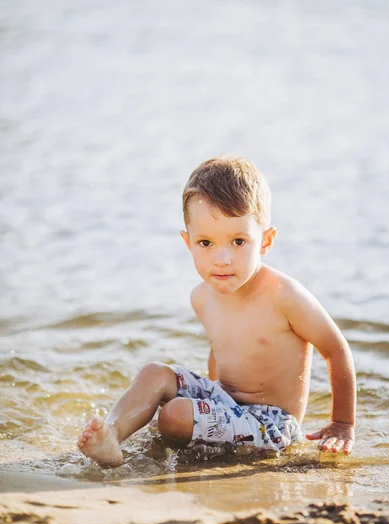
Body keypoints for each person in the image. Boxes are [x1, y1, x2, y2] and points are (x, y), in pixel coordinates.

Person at [77, 156, 356, 467]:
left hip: (272, 422)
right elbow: (218, 351)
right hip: (227, 402)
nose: (221, 259)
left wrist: (342, 424)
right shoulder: (201, 297)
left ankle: (185, 432)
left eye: (238, 241)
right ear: (188, 243)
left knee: (173, 415)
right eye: (206, 242)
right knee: (154, 373)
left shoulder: (285, 296)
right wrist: (208, 405)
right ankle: (112, 436)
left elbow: (336, 350)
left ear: (265, 241)